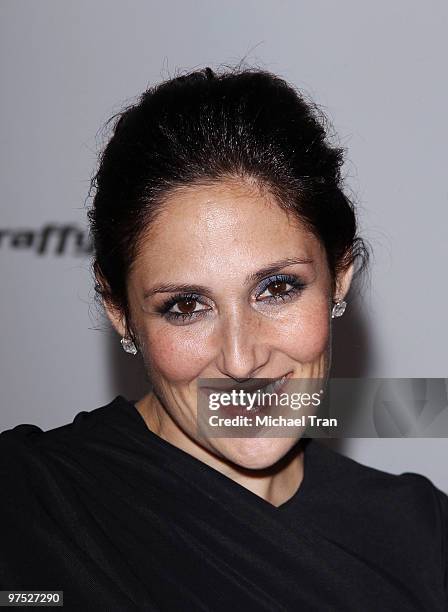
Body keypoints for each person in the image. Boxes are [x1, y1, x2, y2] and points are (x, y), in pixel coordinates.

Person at [0, 67, 446, 611]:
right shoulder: (28, 508)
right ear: (118, 310)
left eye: (276, 289)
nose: (240, 359)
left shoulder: (422, 539)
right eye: (186, 307)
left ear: (341, 275)